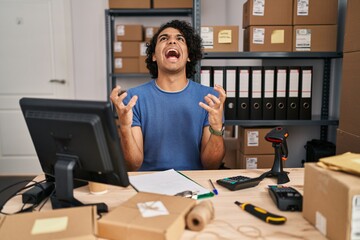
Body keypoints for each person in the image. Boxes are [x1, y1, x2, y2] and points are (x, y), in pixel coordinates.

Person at [110, 20, 226, 171]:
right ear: (154, 56)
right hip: (148, 184)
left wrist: (216, 128)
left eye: (180, 39)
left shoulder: (210, 99)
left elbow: (211, 165)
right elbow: (133, 165)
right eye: (164, 38)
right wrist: (124, 127)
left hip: (195, 184)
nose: (172, 41)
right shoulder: (132, 99)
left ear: (189, 56)